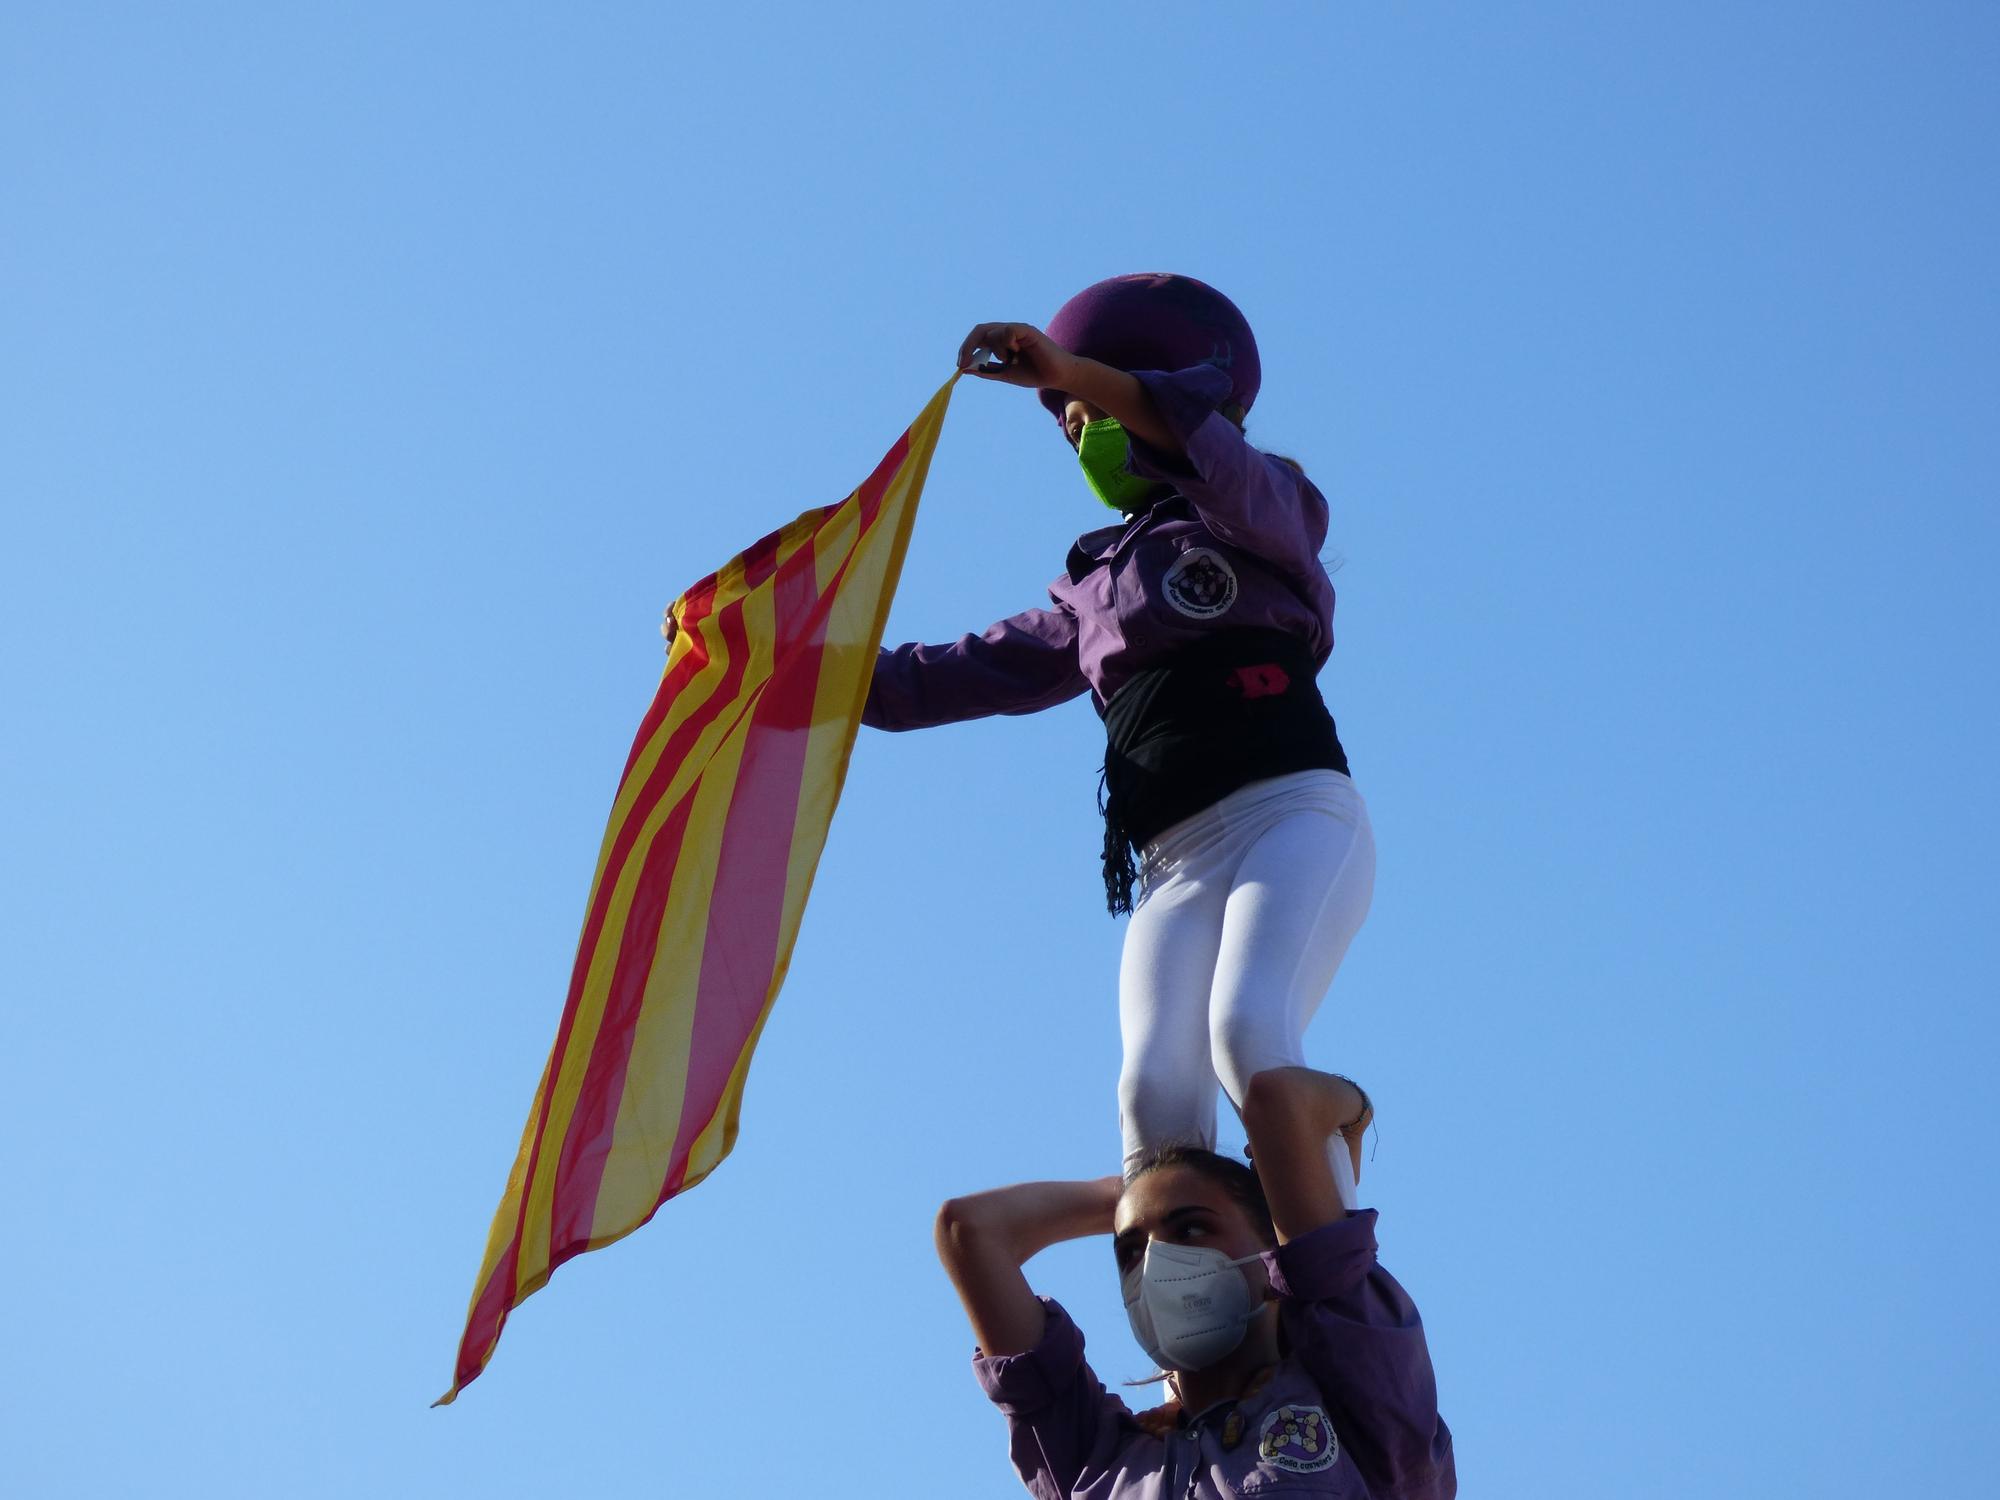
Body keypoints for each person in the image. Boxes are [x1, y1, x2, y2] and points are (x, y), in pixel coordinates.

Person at [866, 274, 1377, 1194]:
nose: (1070, 423)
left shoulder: (1272, 510)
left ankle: (1335, 1277)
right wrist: (777, 669)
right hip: (1173, 858)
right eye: (1061, 412)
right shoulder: (1095, 588)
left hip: (1290, 815)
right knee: (1152, 1095)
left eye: (1084, 405)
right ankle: (1204, 1318)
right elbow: (944, 675)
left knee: (1249, 1032)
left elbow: (1209, 454)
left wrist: (1075, 371)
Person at [934, 1066, 1454, 1499]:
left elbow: (1279, 1102)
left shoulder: (1356, 1394)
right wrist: (1129, 1194)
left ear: (1271, 1262)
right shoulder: (1097, 1459)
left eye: (1191, 1229)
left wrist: (1356, 1116)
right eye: (1131, 1251)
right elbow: (971, 1232)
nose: (1158, 1262)